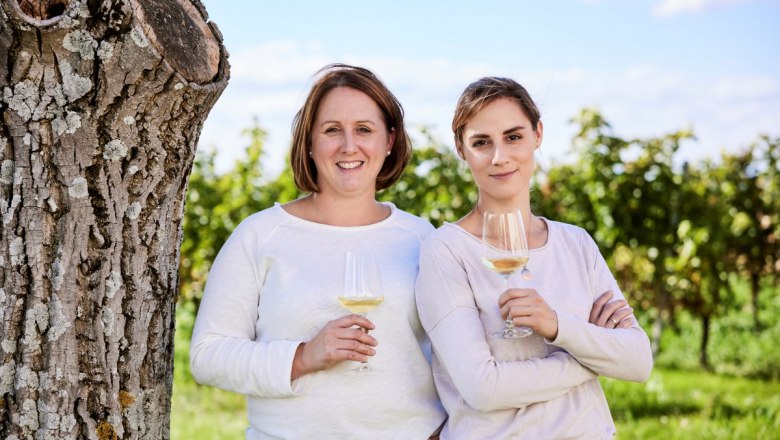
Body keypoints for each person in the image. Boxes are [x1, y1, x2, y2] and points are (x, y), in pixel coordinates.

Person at [190, 64, 446, 439]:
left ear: (389, 141)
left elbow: (449, 357)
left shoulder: (421, 238)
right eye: (331, 130)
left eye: (364, 129)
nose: (348, 145)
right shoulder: (261, 235)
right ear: (309, 143)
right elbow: (207, 356)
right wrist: (304, 356)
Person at [415, 77, 653, 439]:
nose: (500, 156)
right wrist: (591, 355)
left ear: (537, 134)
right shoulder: (447, 250)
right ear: (461, 150)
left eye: (514, 136)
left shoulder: (576, 243)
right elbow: (483, 389)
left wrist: (558, 326)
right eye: (482, 142)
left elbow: (638, 361)